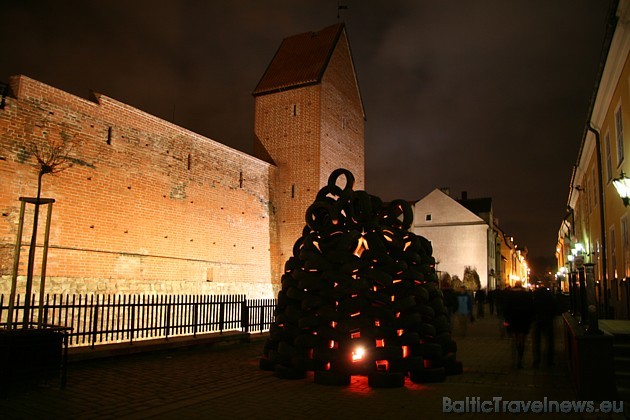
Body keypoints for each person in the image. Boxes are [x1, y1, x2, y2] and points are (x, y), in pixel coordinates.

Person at [502, 281, 534, 369]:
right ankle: (520, 358)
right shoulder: (526, 294)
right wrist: (530, 320)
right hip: (524, 319)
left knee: (514, 338)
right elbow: (531, 307)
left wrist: (506, 320)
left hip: (513, 319)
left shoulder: (509, 295)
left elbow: (505, 308)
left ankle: (515, 359)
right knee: (522, 339)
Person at [532, 287, 557, 368]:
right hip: (548, 321)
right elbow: (555, 309)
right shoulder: (550, 298)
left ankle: (536, 361)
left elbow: (532, 309)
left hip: (538, 320)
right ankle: (549, 361)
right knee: (549, 341)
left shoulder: (535, 299)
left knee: (536, 342)